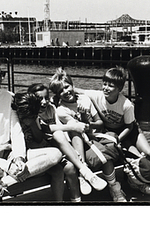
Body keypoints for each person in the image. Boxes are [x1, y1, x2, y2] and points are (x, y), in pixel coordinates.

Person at [0, 57, 63, 200]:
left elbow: (16, 131)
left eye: (3, 74)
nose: (1, 78)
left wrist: (19, 157)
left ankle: (3, 182)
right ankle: (12, 173)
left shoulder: (9, 97)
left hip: (9, 153)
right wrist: (8, 166)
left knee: (55, 154)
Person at [76, 66, 150, 200]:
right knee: (125, 156)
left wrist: (118, 140)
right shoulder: (98, 96)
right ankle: (136, 181)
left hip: (129, 131)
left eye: (110, 86)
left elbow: (129, 126)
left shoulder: (126, 105)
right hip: (111, 132)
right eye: (104, 84)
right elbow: (79, 90)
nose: (105, 88)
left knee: (148, 153)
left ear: (119, 89)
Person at [49, 67, 127, 202]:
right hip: (77, 144)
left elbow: (99, 123)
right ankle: (83, 173)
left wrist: (87, 119)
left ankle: (115, 188)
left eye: (67, 87)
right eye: (60, 91)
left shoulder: (85, 99)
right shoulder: (62, 110)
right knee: (101, 155)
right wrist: (84, 119)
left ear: (72, 85)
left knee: (105, 157)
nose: (66, 92)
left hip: (92, 137)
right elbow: (78, 130)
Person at [26, 83, 107, 202]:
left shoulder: (51, 109)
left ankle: (77, 198)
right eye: (40, 99)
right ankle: (85, 171)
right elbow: (43, 131)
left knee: (70, 167)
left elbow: (58, 127)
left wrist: (72, 151)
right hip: (40, 150)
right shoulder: (32, 113)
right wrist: (73, 127)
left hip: (55, 146)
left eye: (46, 98)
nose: (44, 102)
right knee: (64, 133)